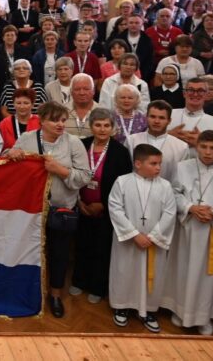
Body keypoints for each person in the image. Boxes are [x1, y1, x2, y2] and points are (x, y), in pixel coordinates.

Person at [6, 102, 92, 318]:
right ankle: (26, 291)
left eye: (63, 120)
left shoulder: (74, 143)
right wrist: (11, 152)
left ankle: (55, 295)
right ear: (42, 120)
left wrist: (60, 170)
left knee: (59, 254)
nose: (60, 124)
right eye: (55, 120)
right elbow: (8, 159)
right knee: (28, 252)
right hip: (30, 210)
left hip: (61, 209)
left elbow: (84, 177)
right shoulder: (27, 139)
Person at [162, 130, 213, 335]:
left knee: (209, 276)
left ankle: (203, 317)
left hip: (212, 233)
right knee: (183, 270)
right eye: (204, 147)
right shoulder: (182, 168)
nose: (207, 152)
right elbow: (173, 192)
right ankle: (181, 311)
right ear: (196, 147)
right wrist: (190, 207)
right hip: (187, 229)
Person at [108, 144, 177, 334]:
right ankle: (122, 306)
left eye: (160, 164)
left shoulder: (165, 185)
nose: (158, 168)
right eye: (153, 163)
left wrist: (153, 236)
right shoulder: (122, 182)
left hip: (153, 243)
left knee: (152, 275)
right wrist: (134, 234)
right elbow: (115, 209)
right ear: (138, 163)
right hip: (129, 241)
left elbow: (170, 213)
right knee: (125, 272)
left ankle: (149, 311)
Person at [71, 108, 133, 305]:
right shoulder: (82, 145)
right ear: (91, 127)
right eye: (98, 125)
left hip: (105, 210)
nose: (102, 129)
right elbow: (73, 174)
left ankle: (98, 286)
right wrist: (79, 202)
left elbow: (123, 184)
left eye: (107, 125)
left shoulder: (120, 152)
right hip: (81, 205)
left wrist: (103, 204)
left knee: (101, 248)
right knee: (81, 245)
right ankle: (79, 280)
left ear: (113, 128)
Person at [169, 78, 213, 159]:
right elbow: (150, 137)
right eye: (191, 90)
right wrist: (168, 136)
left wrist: (202, 143)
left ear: (206, 94)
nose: (195, 94)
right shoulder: (169, 114)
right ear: (184, 93)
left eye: (200, 91)